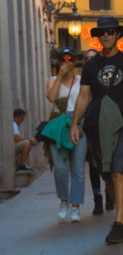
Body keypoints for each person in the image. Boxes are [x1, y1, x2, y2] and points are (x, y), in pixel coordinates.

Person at [70, 15, 123, 245]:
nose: (105, 35)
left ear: (118, 34)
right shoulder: (90, 65)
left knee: (119, 170)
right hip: (97, 124)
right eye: (101, 32)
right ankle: (122, 212)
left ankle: (118, 224)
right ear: (97, 36)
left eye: (110, 31)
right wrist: (75, 123)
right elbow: (84, 97)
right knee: (107, 173)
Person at [45, 50, 87, 222]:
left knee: (78, 169)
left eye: (71, 59)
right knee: (61, 169)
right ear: (59, 62)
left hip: (78, 123)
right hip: (59, 125)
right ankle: (64, 200)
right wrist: (60, 75)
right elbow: (52, 97)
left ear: (75, 61)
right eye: (64, 59)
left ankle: (76, 206)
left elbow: (87, 100)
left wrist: (78, 121)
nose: (67, 62)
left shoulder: (82, 81)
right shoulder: (52, 80)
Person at [81, 48, 106, 215]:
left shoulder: (105, 79)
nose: (90, 61)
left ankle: (111, 196)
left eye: (93, 58)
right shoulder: (81, 81)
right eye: (87, 58)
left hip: (105, 123)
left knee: (108, 161)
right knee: (93, 164)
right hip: (89, 125)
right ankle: (98, 199)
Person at [12, 108, 37, 172]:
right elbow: (17, 139)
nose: (22, 121)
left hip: (13, 147)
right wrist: (30, 141)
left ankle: (23, 163)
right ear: (16, 117)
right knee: (27, 143)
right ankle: (22, 164)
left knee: (27, 144)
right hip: (11, 148)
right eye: (21, 118)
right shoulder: (14, 124)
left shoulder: (15, 125)